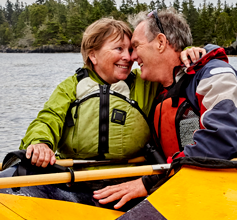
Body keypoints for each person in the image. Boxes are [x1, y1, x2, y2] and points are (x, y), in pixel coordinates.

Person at [93, 8, 237, 209]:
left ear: (160, 42)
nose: (132, 57)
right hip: (188, 184)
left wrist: (150, 182)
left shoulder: (214, 74)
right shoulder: (160, 91)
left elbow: (227, 136)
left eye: (136, 46)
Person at [20, 17, 159, 166]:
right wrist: (40, 143)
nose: (128, 57)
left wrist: (187, 52)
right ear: (93, 55)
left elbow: (172, 60)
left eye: (130, 50)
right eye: (119, 48)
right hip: (75, 178)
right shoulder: (70, 87)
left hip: (132, 178)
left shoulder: (146, 83)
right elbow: (48, 119)